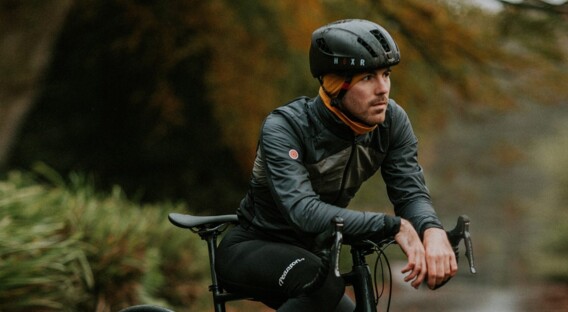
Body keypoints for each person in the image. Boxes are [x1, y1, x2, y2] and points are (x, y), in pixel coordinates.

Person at [215, 19, 457, 311]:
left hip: (313, 256)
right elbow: (303, 211)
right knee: (324, 285)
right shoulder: (286, 127)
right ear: (334, 85)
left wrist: (431, 230)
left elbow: (410, 194)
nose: (383, 89)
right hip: (251, 248)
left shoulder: (391, 122)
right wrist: (392, 226)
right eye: (367, 77)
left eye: (386, 73)